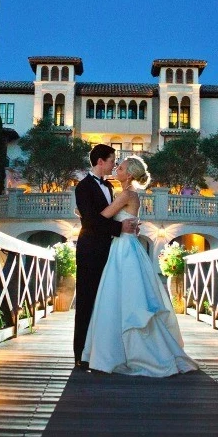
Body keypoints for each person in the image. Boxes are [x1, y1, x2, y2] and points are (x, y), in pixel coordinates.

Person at [82, 155, 198, 377]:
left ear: (130, 175)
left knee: (121, 295)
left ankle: (124, 353)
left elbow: (102, 217)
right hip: (126, 244)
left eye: (122, 167)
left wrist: (84, 215)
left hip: (123, 248)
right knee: (124, 295)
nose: (117, 168)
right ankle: (122, 350)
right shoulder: (130, 194)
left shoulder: (126, 194)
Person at [73, 144, 138, 368]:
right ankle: (80, 353)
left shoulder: (110, 188)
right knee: (86, 299)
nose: (113, 164)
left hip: (110, 251)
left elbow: (110, 217)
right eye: (112, 160)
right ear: (100, 161)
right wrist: (120, 229)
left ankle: (99, 351)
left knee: (104, 301)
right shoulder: (82, 187)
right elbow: (90, 222)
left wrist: (125, 226)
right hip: (89, 249)